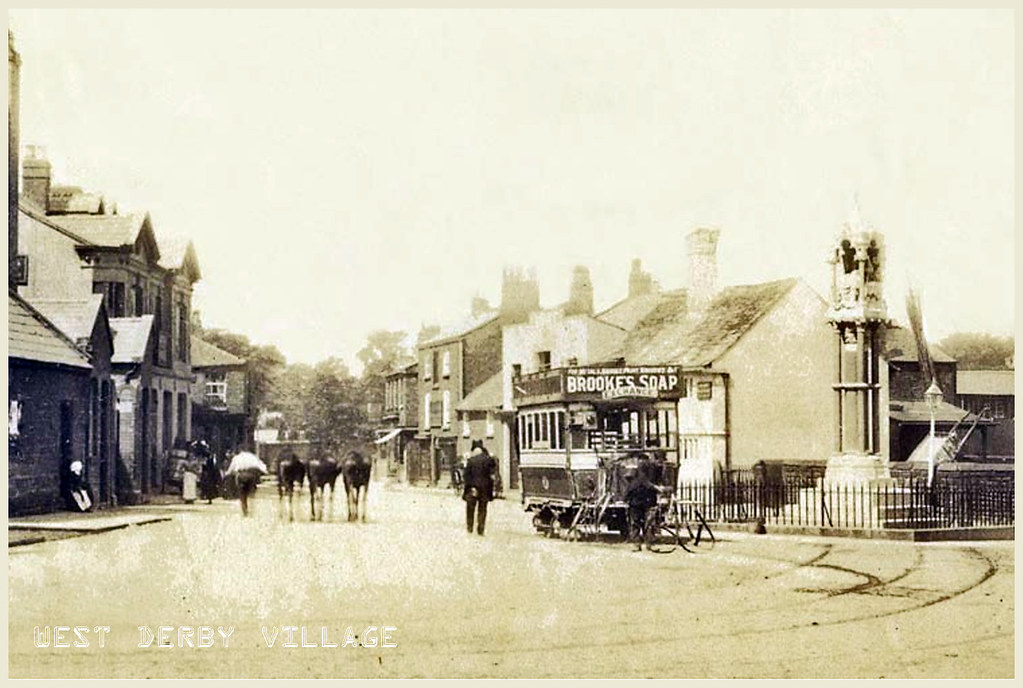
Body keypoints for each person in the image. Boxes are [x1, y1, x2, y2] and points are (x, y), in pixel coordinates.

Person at [624, 456, 661, 552]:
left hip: (641, 501)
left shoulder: (638, 476)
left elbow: (629, 489)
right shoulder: (641, 477)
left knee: (644, 524)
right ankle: (643, 544)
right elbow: (643, 482)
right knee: (643, 523)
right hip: (640, 501)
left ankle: (643, 544)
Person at [462, 439, 497, 536]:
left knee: (470, 509)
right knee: (482, 509)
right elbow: (493, 466)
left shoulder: (471, 461)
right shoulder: (487, 459)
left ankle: (470, 527)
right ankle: (480, 529)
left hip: (473, 488)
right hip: (485, 489)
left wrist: (469, 487)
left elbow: (466, 476)